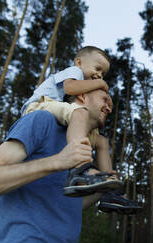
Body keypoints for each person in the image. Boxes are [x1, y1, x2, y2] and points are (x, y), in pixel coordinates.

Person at [0, 89, 126, 243]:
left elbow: (66, 204)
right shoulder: (42, 120)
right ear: (83, 97)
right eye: (104, 100)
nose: (109, 108)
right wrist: (57, 161)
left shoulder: (84, 146)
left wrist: (101, 189)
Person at [21, 46, 119, 196]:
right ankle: (81, 169)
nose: (99, 75)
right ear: (79, 62)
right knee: (80, 112)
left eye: (103, 73)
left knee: (101, 141)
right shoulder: (74, 71)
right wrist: (102, 85)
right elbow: (70, 89)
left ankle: (109, 188)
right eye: (97, 68)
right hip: (38, 106)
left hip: (56, 109)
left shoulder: (84, 83)